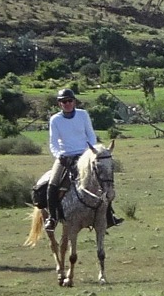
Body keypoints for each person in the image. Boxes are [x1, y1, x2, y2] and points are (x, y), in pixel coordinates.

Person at [44, 88, 121, 231]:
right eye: (63, 101)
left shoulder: (83, 115)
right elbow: (53, 143)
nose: (67, 103)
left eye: (69, 101)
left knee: (103, 180)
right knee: (52, 185)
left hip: (85, 154)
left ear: (74, 102)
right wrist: (60, 155)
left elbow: (91, 135)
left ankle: (109, 215)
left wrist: (90, 152)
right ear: (59, 104)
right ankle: (52, 218)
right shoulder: (55, 120)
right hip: (65, 156)